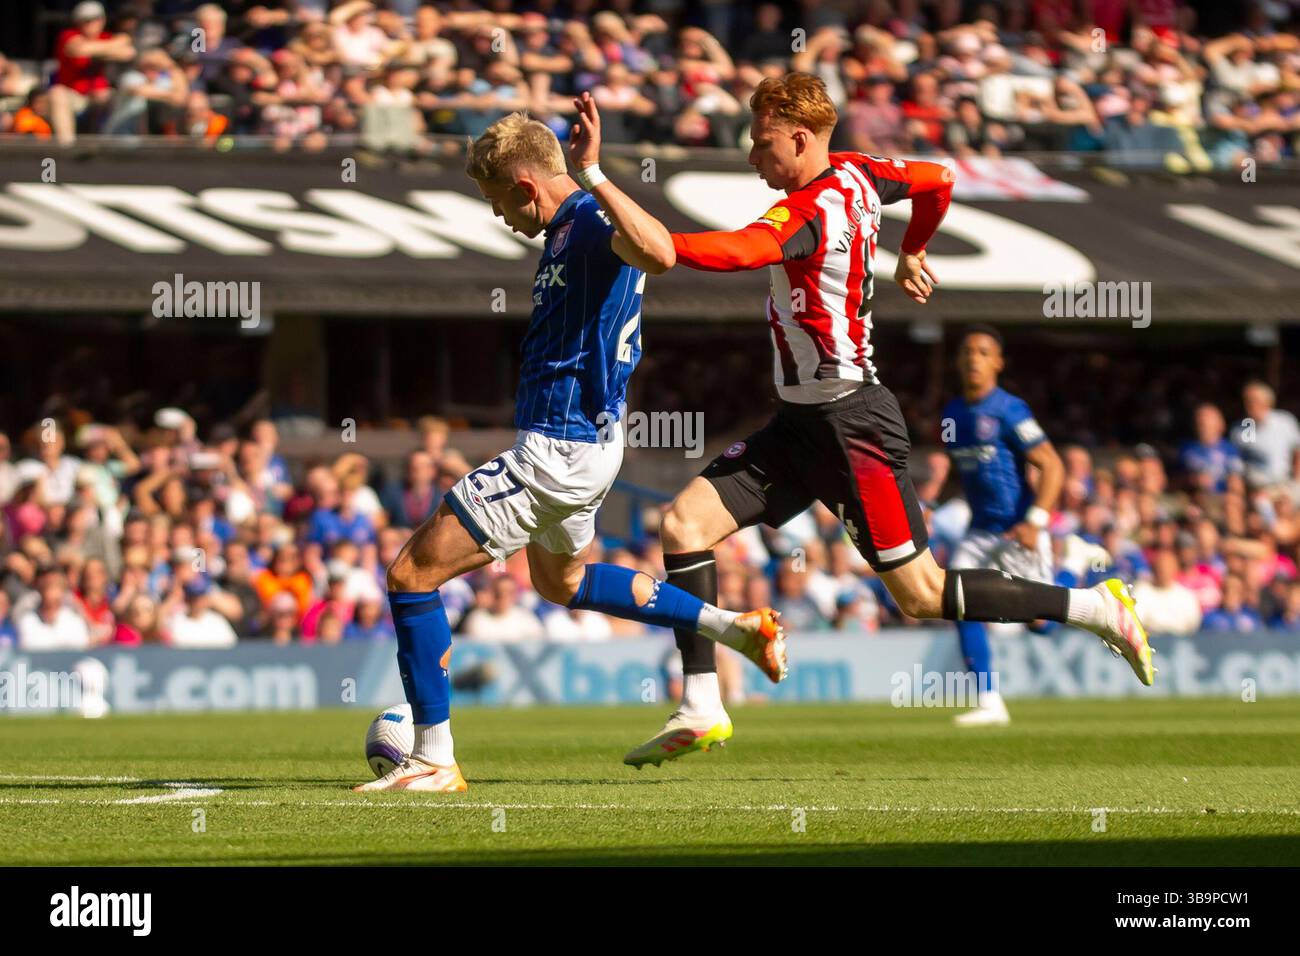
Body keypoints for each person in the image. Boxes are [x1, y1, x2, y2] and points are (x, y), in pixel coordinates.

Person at [622, 72, 1155, 767]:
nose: (754, 159)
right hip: (798, 425)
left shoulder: (809, 209)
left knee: (923, 594)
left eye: (761, 145)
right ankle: (701, 703)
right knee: (684, 525)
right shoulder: (861, 174)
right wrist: (915, 249)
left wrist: (664, 245)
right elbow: (936, 179)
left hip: (852, 424)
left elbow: (742, 251)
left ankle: (1095, 608)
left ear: (800, 137)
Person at [357, 101, 786, 794]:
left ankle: (434, 758)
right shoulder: (570, 229)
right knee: (561, 583)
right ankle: (735, 627)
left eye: (497, 200)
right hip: (586, 446)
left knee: (411, 575)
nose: (498, 215)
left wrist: (592, 173)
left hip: (558, 450)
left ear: (526, 186)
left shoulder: (588, 220)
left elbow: (660, 252)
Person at [942, 325, 1064, 727]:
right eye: (967, 351)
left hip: (1017, 529)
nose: (973, 358)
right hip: (979, 532)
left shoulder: (1010, 410)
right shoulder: (953, 414)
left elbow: (1052, 465)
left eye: (983, 352)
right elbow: (964, 471)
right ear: (959, 361)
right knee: (958, 604)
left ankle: (1073, 567)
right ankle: (990, 700)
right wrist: (934, 503)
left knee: (1040, 623)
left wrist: (1035, 521)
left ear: (997, 362)